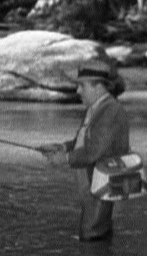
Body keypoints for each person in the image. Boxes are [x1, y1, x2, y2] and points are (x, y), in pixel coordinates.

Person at [38, 60, 130, 241]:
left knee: (91, 234)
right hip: (92, 182)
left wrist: (64, 158)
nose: (78, 91)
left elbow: (95, 151)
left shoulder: (110, 110)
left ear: (99, 87)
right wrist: (62, 147)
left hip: (102, 184)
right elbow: (83, 140)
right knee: (96, 232)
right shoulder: (96, 108)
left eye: (82, 86)